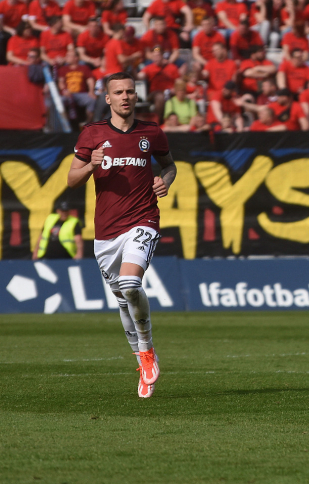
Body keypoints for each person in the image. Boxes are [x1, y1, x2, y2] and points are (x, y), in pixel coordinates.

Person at [67, 71, 177, 399]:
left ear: (136, 96)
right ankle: (140, 358)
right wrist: (91, 166)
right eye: (119, 92)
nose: (125, 97)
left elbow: (169, 165)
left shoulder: (151, 132)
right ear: (108, 98)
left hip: (143, 219)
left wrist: (166, 180)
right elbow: (72, 179)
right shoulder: (93, 134)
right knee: (120, 298)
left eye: (130, 91)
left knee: (131, 285)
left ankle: (146, 351)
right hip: (106, 231)